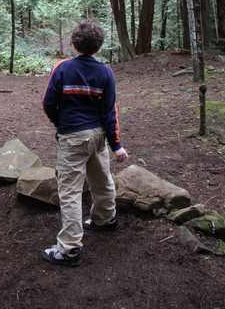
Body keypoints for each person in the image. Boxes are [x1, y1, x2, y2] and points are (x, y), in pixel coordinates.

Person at [41, 19, 128, 267]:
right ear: (98, 46)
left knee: (70, 192)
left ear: (74, 43)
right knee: (102, 178)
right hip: (98, 135)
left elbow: (48, 103)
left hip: (72, 137)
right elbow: (109, 112)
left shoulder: (62, 68)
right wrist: (116, 145)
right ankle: (105, 219)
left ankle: (69, 249)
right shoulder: (106, 72)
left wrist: (61, 123)